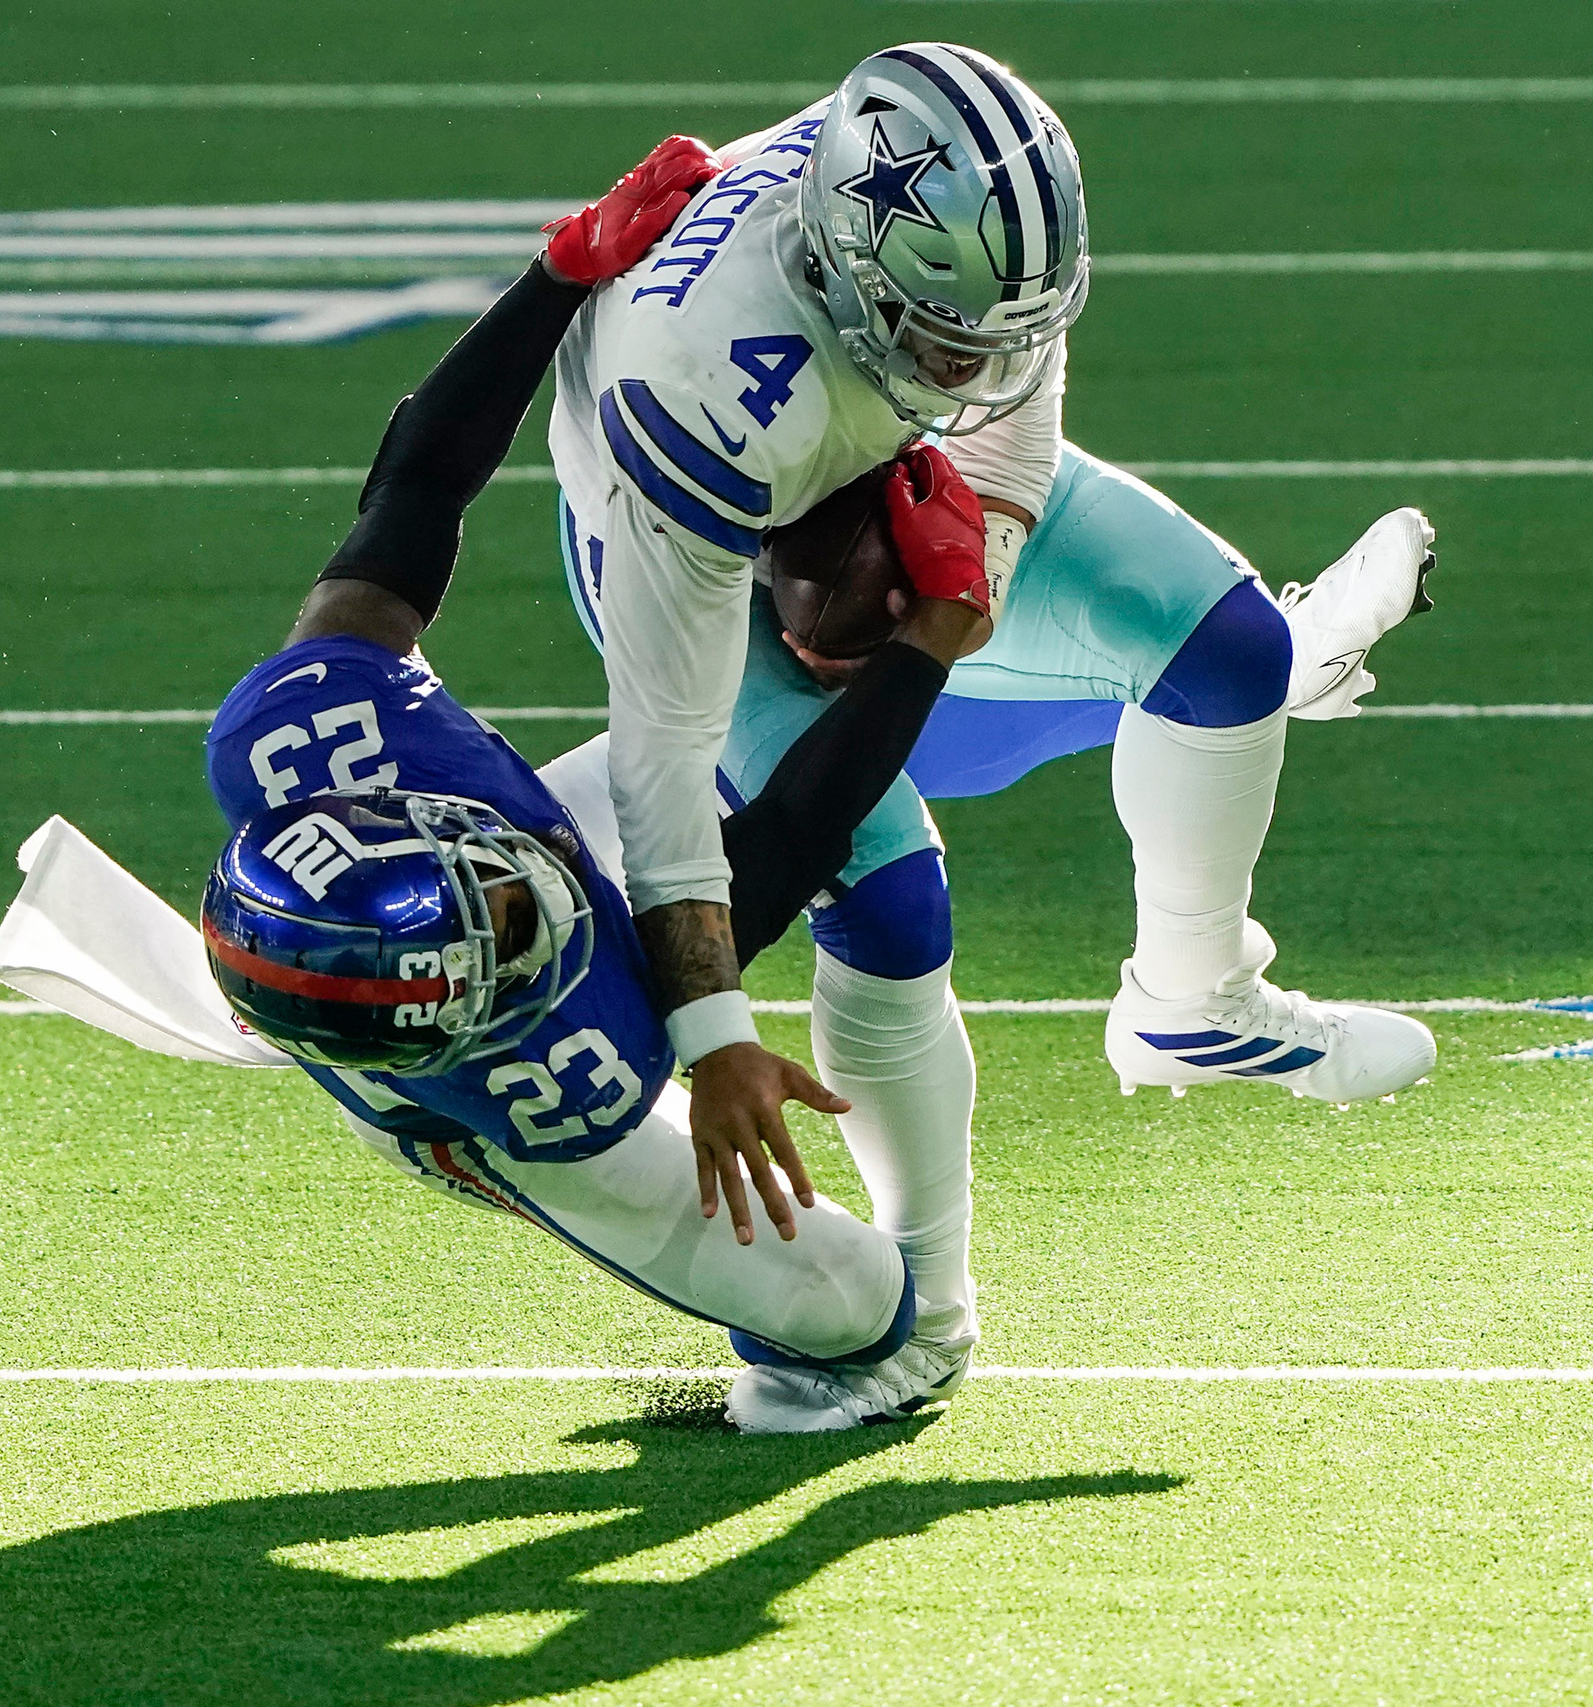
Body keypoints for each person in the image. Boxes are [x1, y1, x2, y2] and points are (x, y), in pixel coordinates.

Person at [544, 46, 1441, 1377]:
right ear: (848, 273)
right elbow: (673, 773)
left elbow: (1010, 394)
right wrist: (716, 1031)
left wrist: (977, 573)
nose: (989, 357)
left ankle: (1195, 997)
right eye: (952, 336)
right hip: (704, 561)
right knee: (890, 892)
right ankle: (911, 1321)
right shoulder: (696, 394)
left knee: (1230, 653)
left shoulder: (970, 233)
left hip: (878, 452)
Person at [192, 138, 997, 1432]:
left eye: (493, 889)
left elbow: (419, 483)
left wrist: (562, 270)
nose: (533, 895)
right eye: (511, 933)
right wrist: (930, 638)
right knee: (867, 1317)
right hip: (501, 1115)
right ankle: (800, 1356)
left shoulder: (315, 730)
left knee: (822, 844)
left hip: (392, 980)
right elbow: (775, 849)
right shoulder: (560, 1053)